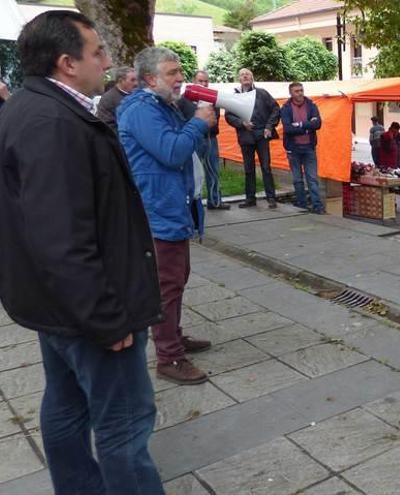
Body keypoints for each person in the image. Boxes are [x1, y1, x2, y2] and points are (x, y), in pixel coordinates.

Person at [0, 11, 164, 492]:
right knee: (126, 424)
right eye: (98, 52)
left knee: (66, 405)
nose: (108, 62)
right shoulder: (53, 121)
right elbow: (62, 238)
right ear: (67, 62)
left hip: (56, 306)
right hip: (89, 311)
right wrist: (106, 318)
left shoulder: (30, 107)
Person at [118, 46, 215, 385]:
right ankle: (169, 357)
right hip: (158, 210)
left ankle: (173, 335)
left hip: (171, 206)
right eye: (172, 73)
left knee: (177, 278)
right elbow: (172, 152)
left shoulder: (161, 106)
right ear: (149, 78)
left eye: (179, 71)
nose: (180, 78)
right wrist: (198, 124)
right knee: (167, 285)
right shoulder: (142, 109)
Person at [226, 68, 280, 209]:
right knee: (248, 169)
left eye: (248, 74)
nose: (245, 76)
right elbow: (229, 116)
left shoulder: (262, 93)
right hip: (246, 136)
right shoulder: (235, 96)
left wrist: (269, 127)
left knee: (266, 168)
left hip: (262, 135)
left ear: (252, 78)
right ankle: (250, 199)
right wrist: (242, 123)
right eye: (242, 75)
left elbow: (275, 109)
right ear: (239, 79)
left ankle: (271, 198)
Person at [186, 70, 228, 210]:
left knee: (213, 170)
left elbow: (214, 120)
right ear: (194, 82)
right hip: (194, 139)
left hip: (210, 138)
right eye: (200, 81)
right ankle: (193, 203)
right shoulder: (186, 99)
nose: (204, 84)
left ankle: (215, 201)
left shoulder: (213, 100)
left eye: (206, 81)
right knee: (193, 171)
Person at [280, 81, 324, 213]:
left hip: (309, 147)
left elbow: (318, 124)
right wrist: (306, 127)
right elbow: (287, 128)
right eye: (297, 91)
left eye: (301, 90)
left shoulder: (311, 105)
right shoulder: (286, 108)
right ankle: (301, 205)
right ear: (291, 93)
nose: (300, 93)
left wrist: (298, 125)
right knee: (297, 179)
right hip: (293, 148)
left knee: (312, 178)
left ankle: (317, 206)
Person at [95, 66, 136, 131]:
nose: (136, 83)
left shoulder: (139, 95)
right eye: (132, 80)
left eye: (137, 80)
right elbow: (107, 126)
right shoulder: (108, 99)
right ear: (121, 81)